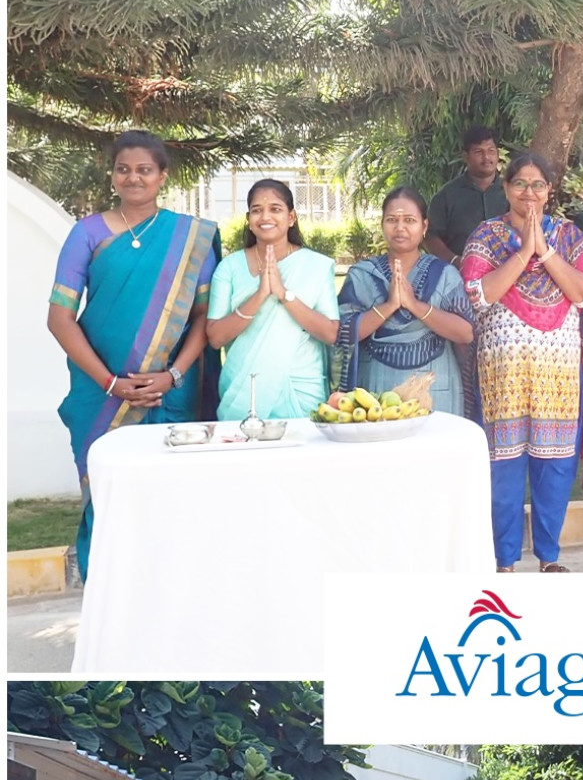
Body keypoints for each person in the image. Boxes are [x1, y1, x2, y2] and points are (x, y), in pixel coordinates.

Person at [46, 129, 220, 580]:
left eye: (144, 170)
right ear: (113, 174)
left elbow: (203, 318)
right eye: (124, 169)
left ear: (162, 176)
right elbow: (59, 318)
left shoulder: (190, 237)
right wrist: (110, 382)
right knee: (108, 504)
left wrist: (174, 376)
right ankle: (107, 607)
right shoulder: (86, 233)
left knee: (171, 503)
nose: (133, 178)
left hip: (168, 397)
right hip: (100, 396)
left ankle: (171, 606)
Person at [461, 151, 583, 572]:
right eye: (520, 183)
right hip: (502, 376)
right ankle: (503, 560)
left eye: (538, 184)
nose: (530, 192)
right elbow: (479, 293)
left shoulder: (571, 236)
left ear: (550, 190)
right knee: (503, 471)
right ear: (506, 189)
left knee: (555, 468)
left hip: (556, 375)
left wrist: (547, 251)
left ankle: (549, 557)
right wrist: (524, 253)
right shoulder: (486, 235)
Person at [332, 186, 475, 417]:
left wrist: (415, 306)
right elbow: (343, 333)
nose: (400, 228)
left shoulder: (445, 273)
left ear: (424, 226)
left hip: (436, 387)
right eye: (392, 220)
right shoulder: (362, 274)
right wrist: (388, 306)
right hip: (375, 390)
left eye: (409, 220)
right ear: (382, 224)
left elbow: (466, 333)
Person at [206, 178, 339, 420]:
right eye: (257, 210)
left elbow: (330, 333)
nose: (265, 216)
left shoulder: (315, 266)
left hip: (300, 391)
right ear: (249, 219)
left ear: (291, 217)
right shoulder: (230, 267)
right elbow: (215, 337)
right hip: (244, 391)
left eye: (275, 209)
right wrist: (260, 295)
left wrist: (283, 294)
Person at [426, 125, 509, 266]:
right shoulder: (447, 196)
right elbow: (430, 236)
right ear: (466, 156)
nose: (486, 157)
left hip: (507, 274)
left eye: (491, 151)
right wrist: (454, 261)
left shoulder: (512, 193)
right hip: (459, 276)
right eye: (478, 152)